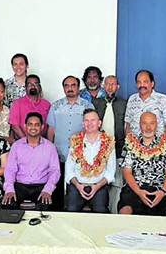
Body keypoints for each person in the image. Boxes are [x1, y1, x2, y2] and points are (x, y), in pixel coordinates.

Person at [118, 112, 166, 217]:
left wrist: (162, 192)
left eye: (152, 123)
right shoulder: (131, 144)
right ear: (139, 125)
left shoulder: (165, 144)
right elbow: (127, 172)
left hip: (161, 188)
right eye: (144, 123)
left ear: (156, 125)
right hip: (136, 188)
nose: (148, 127)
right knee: (124, 212)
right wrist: (138, 192)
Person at [47, 76, 93, 209]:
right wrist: (50, 152)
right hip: (59, 154)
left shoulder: (87, 106)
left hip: (80, 157)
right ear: (63, 88)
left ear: (78, 87)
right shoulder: (56, 106)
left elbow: (91, 129)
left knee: (75, 191)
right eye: (67, 86)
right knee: (58, 189)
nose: (70, 88)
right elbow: (51, 130)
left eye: (73, 85)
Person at [1, 112, 60, 211]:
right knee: (8, 204)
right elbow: (10, 170)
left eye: (37, 125)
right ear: (25, 126)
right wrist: (9, 190)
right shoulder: (16, 146)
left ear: (42, 127)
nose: (33, 127)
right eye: (30, 124)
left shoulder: (50, 147)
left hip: (41, 185)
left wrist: (48, 190)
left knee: (46, 206)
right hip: (20, 185)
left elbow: (55, 171)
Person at [64, 109, 116, 212]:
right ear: (83, 124)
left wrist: (97, 186)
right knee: (71, 210)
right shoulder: (76, 140)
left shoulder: (108, 142)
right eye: (86, 120)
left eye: (92, 120)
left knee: (100, 211)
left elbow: (110, 172)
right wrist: (78, 185)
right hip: (77, 185)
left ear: (99, 123)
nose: (89, 123)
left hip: (99, 186)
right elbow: (69, 169)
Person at [92, 75, 127, 213]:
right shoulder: (95, 103)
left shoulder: (124, 103)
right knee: (100, 181)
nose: (110, 87)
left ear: (117, 87)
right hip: (98, 149)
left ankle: (114, 213)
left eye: (113, 84)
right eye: (107, 84)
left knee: (117, 183)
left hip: (118, 148)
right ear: (103, 86)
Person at [124, 69, 166, 138]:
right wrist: (129, 144)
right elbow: (128, 124)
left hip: (157, 146)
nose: (142, 85)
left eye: (145, 82)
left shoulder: (162, 99)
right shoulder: (132, 99)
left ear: (152, 84)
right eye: (139, 82)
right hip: (135, 146)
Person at [9, 74, 51, 139]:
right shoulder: (17, 103)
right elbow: (15, 126)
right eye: (29, 84)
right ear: (25, 88)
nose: (32, 86)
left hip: (42, 143)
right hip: (22, 143)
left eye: (35, 84)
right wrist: (27, 141)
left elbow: (49, 126)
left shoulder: (46, 104)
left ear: (39, 87)